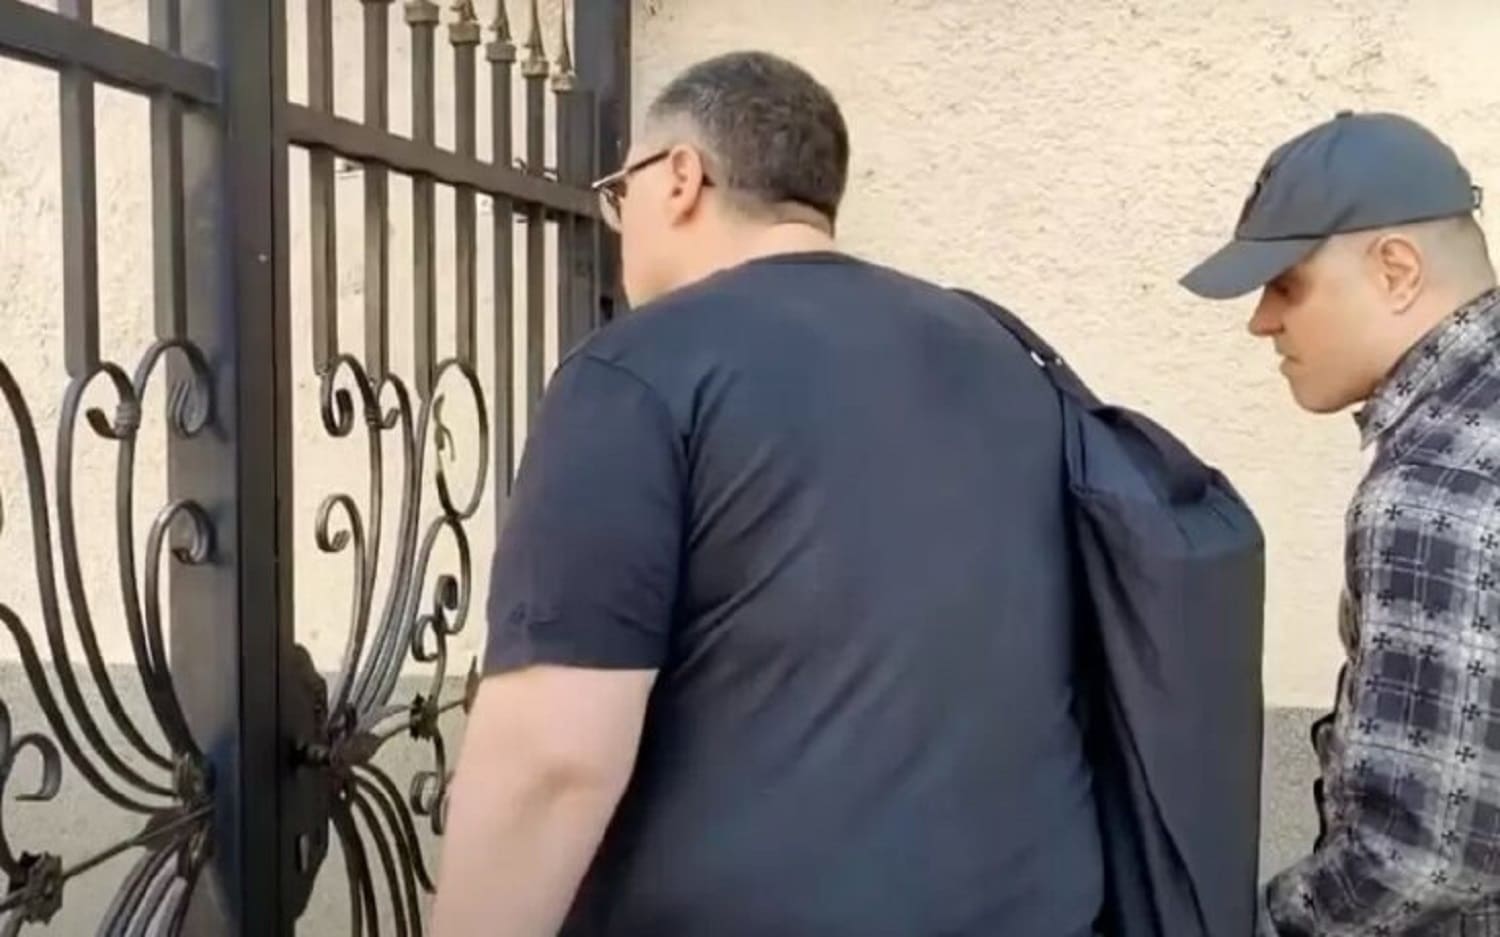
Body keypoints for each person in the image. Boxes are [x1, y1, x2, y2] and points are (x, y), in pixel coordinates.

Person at [431, 50, 1102, 936]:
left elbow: (553, 761)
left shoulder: (638, 372)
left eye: (620, 191)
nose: (619, 222)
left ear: (680, 178)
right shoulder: (1007, 359)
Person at [1181, 111, 1499, 935]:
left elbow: (1425, 862)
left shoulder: (1435, 487)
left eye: (1286, 284)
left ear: (1396, 270)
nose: (1261, 321)